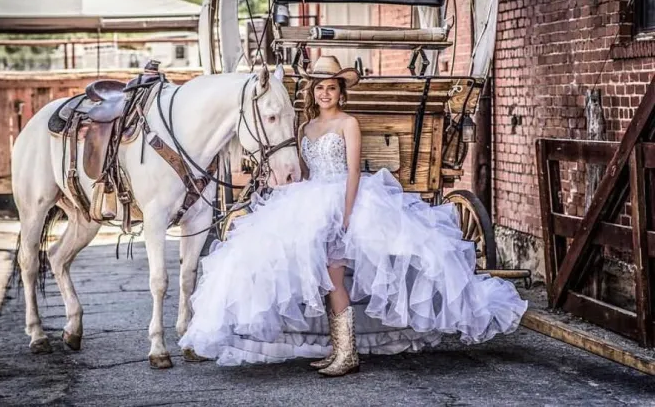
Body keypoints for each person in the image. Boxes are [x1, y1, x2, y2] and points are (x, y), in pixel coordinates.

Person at [179, 56, 527, 377]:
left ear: (340, 92)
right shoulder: (305, 128)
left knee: (333, 274)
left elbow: (353, 172)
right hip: (311, 200)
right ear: (313, 93)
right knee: (313, 273)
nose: (326, 93)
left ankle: (347, 354)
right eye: (320, 87)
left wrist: (346, 215)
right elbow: (303, 171)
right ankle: (339, 349)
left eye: (332, 87)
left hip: (347, 199)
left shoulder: (349, 123)